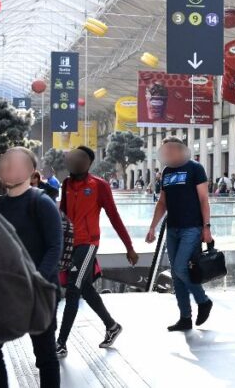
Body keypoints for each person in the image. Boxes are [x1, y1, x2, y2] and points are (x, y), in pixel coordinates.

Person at [0, 147, 63, 388]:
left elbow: (54, 247)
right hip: (7, 292)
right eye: (4, 161)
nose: (6, 166)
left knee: (45, 356)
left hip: (39, 293)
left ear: (31, 171)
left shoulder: (41, 202)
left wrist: (35, 281)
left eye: (13, 163)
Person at [57, 145, 139, 358]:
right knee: (84, 288)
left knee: (73, 289)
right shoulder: (66, 184)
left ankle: (60, 343)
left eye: (80, 158)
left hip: (88, 244)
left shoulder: (99, 185)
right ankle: (112, 326)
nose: (75, 161)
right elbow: (62, 216)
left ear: (88, 163)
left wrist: (129, 247)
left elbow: (114, 216)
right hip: (69, 245)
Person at [145, 138, 213, 331]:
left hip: (192, 227)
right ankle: (185, 317)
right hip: (172, 228)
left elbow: (203, 199)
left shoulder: (195, 168)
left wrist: (206, 227)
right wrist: (153, 227)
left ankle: (203, 300)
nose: (168, 154)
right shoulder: (166, 171)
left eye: (171, 150)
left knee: (181, 268)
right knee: (176, 274)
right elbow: (162, 202)